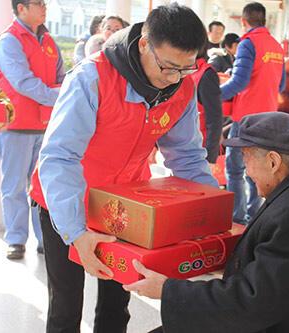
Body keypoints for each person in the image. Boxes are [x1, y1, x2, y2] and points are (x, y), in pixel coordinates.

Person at [29, 4, 215, 332]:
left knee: (119, 302)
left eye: (186, 68)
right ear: (144, 44)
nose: (175, 78)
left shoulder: (183, 87)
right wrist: (76, 232)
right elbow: (60, 158)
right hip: (64, 203)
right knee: (66, 304)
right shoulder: (92, 78)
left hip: (124, 208)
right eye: (168, 67)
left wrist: (213, 213)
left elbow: (186, 158)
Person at [125, 112, 289, 333]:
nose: (245, 170)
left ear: (273, 161)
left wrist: (167, 290)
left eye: (246, 158)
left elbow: (251, 303)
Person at [0, 0, 65, 260]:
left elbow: (61, 77)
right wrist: (59, 97)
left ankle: (44, 238)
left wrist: (62, 92)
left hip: (46, 125)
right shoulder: (9, 40)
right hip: (16, 125)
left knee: (42, 186)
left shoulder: (48, 40)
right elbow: (23, 82)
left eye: (45, 3)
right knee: (14, 186)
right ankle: (15, 239)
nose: (44, 8)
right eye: (38, 3)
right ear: (21, 8)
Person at [221, 2, 285, 225]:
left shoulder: (248, 43)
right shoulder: (277, 46)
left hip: (247, 118)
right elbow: (281, 84)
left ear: (243, 21)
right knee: (259, 172)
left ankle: (236, 219)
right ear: (264, 20)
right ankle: (254, 217)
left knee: (235, 169)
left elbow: (239, 82)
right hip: (269, 117)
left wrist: (211, 96)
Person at [190, 55, 223, 169]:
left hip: (200, 150)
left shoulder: (206, 75)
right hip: (181, 148)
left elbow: (215, 119)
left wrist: (210, 157)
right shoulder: (183, 72)